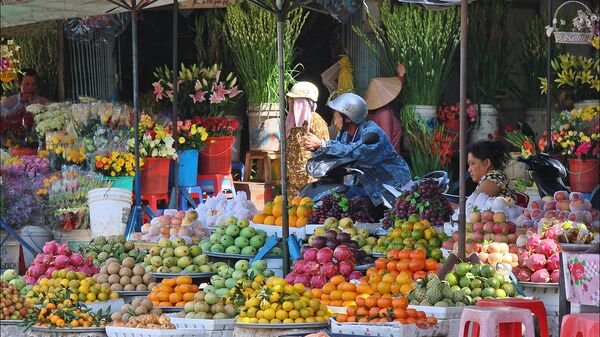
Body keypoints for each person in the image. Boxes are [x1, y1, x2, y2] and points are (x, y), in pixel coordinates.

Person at [301, 93, 412, 207]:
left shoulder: (372, 134)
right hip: (367, 186)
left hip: (391, 187)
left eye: (336, 115)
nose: (334, 119)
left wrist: (322, 144)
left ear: (348, 118)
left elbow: (355, 152)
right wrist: (317, 149)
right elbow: (338, 149)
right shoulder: (344, 134)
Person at [285, 81, 330, 196]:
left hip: (310, 182)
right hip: (292, 184)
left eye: (295, 100)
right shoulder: (290, 122)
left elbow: (326, 150)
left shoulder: (315, 120)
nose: (291, 102)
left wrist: (316, 175)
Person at [1, 69, 49, 138]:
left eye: (33, 84)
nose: (30, 87)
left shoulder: (43, 101)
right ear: (19, 84)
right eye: (27, 84)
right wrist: (19, 105)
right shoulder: (9, 102)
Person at [363, 76, 403, 153]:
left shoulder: (369, 113)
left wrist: (401, 76)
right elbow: (386, 144)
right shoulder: (385, 114)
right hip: (389, 162)